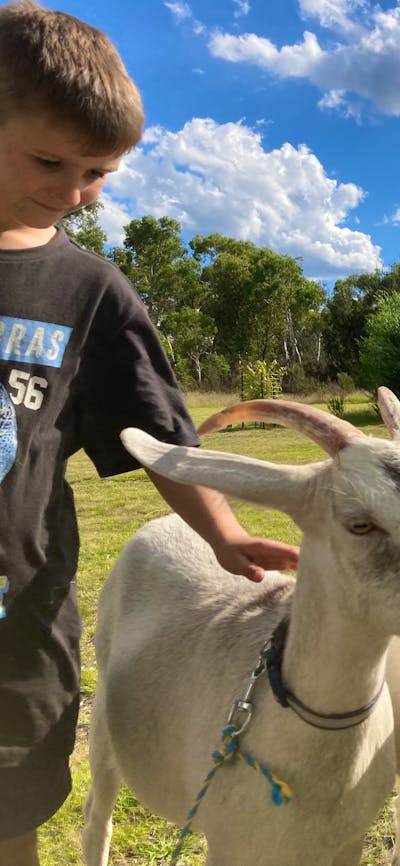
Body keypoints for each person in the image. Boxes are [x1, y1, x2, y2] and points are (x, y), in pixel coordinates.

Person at [0, 2, 299, 863]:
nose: (73, 193)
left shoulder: (89, 293)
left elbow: (158, 435)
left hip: (14, 633)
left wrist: (228, 533)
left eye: (98, 172)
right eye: (51, 160)